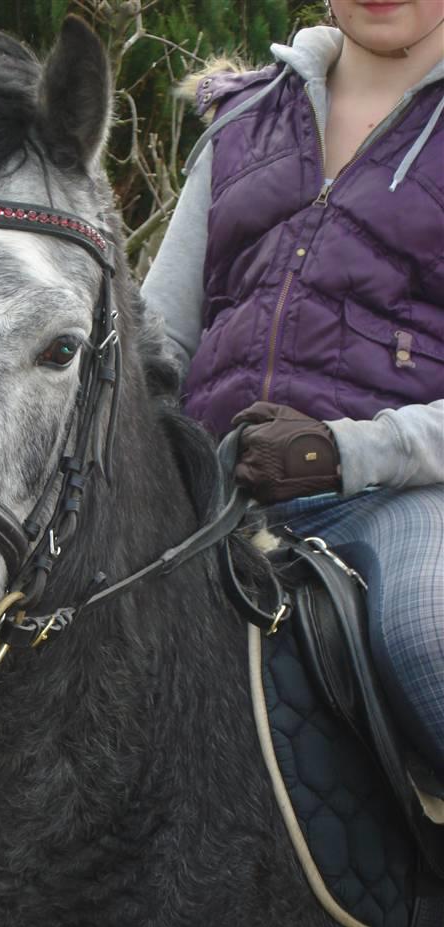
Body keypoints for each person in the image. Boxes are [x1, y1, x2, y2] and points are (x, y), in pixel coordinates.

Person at [141, 0, 444, 780]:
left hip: (403, 499)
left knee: (428, 635)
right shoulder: (244, 116)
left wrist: (339, 451)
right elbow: (156, 339)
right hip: (208, 490)